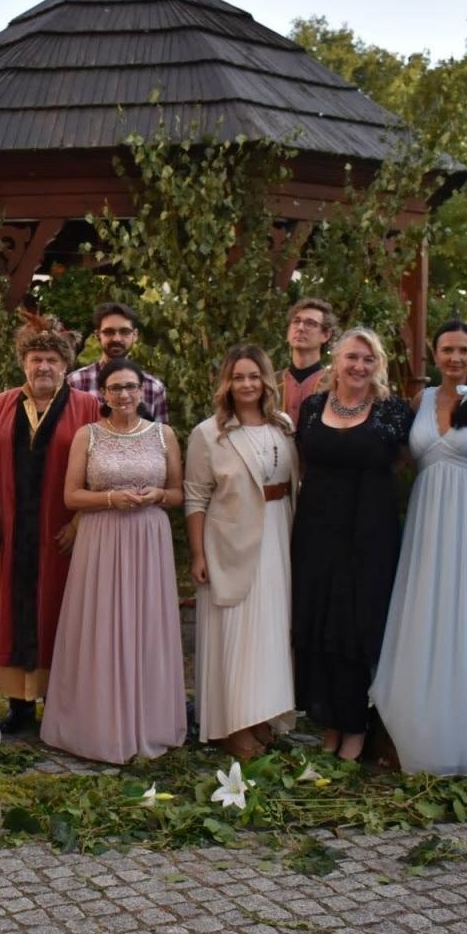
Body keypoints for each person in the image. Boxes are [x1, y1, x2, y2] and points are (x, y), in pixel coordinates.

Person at [372, 321, 467, 776]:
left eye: (465, 350)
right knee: (425, 610)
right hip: (427, 520)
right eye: (447, 350)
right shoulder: (420, 401)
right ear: (434, 355)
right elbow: (399, 459)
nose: (455, 358)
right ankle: (418, 724)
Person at [41, 359, 186, 763]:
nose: (124, 394)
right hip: (101, 540)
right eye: (116, 388)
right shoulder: (87, 436)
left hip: (148, 541)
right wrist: (110, 499)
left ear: (143, 391)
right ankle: (96, 725)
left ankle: (148, 723)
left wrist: (155, 496)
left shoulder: (164, 436)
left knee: (146, 627)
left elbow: (177, 493)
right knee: (102, 626)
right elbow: (71, 496)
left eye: (131, 387)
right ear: (102, 394)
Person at [0, 312, 102, 734]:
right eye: (35, 358)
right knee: (8, 614)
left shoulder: (88, 409)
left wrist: (81, 519)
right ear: (23, 363)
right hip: (7, 534)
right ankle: (19, 707)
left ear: (66, 366)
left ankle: (63, 705)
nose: (43, 366)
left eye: (51, 359)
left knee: (60, 611)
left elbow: (106, 468)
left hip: (62, 534)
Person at [290, 327, 412, 761]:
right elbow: (304, 461)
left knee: (357, 628)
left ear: (377, 365)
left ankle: (356, 728)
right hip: (317, 530)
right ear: (335, 362)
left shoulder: (393, 410)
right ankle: (329, 725)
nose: (359, 366)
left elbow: (402, 462)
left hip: (370, 533)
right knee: (319, 625)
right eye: (351, 358)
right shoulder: (312, 407)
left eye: (368, 359)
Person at [184, 344, 297, 762]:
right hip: (228, 542)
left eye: (254, 376)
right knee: (236, 631)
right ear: (226, 383)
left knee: (271, 630)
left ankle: (262, 715)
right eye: (238, 377)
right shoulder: (208, 433)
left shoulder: (283, 426)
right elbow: (195, 497)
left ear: (266, 381)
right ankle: (231, 724)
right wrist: (197, 554)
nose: (247, 384)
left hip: (278, 533)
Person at [66, 301, 168, 424]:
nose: (117, 338)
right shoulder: (75, 383)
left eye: (124, 332)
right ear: (98, 335)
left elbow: (160, 439)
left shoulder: (153, 388)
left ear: (135, 335)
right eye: (109, 332)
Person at [280, 297, 336, 422]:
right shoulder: (271, 383)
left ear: (326, 335)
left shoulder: (334, 385)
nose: (300, 328)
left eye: (310, 323)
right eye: (296, 321)